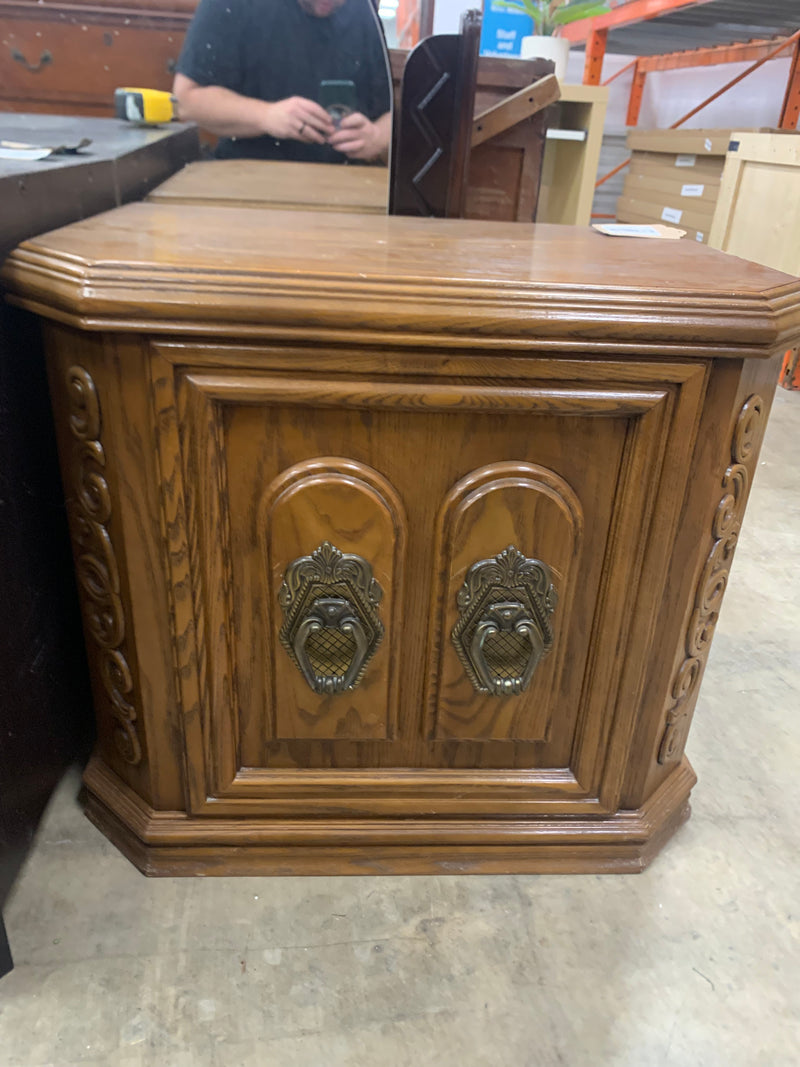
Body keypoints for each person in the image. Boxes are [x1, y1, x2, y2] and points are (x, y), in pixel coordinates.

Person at [173, 0, 392, 164]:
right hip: (249, 176)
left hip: (345, 182)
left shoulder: (364, 9)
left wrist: (377, 137)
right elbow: (187, 100)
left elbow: (391, 114)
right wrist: (266, 115)